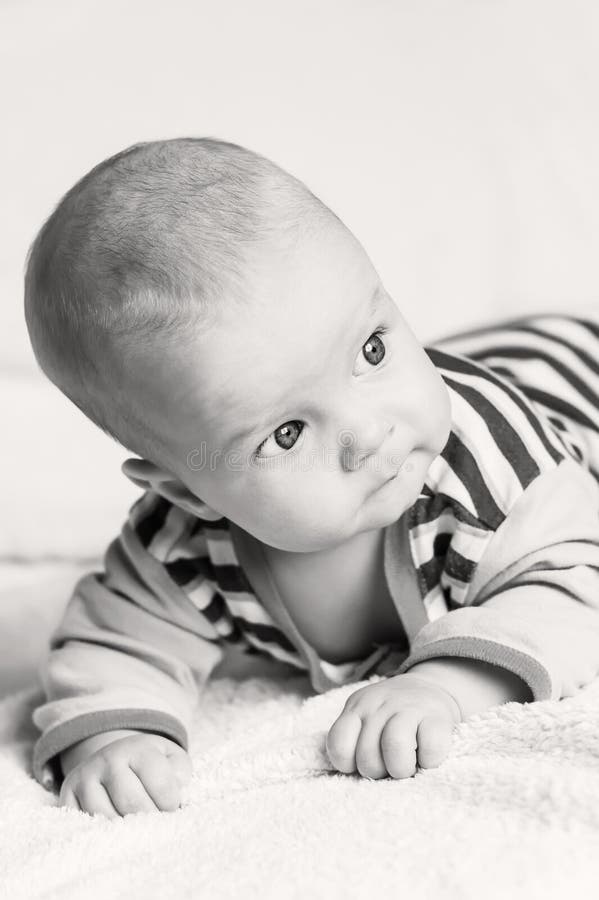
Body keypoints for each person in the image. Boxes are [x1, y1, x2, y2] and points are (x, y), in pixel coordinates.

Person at [23, 137, 599, 819]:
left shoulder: (499, 470)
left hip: (570, 375)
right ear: (185, 491)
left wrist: (448, 683)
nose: (367, 434)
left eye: (373, 347)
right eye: (287, 433)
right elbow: (113, 643)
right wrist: (117, 734)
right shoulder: (177, 551)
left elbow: (574, 580)